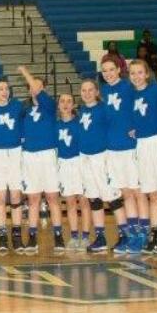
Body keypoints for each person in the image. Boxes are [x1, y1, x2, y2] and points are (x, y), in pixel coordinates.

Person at [16, 67, 61, 252]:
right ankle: (32, 237)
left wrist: (25, 72)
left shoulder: (49, 106)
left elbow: (36, 88)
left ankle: (58, 237)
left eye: (39, 86)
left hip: (48, 155)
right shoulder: (23, 111)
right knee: (33, 199)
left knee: (52, 198)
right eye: (32, 86)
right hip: (29, 156)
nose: (34, 89)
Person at [98, 59, 138, 254]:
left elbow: (140, 110)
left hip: (130, 146)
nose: (108, 74)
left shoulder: (129, 87)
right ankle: (131, 235)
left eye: (111, 70)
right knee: (124, 192)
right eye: (104, 71)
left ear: (119, 70)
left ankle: (142, 234)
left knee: (136, 191)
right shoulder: (102, 92)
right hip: (112, 148)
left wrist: (137, 128)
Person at [128, 60, 157, 254]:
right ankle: (155, 232)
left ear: (147, 74)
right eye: (132, 73)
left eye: (139, 72)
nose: (136, 76)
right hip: (141, 144)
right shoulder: (132, 94)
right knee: (151, 191)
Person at [0, 78, 25, 253]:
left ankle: (16, 236)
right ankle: (2, 236)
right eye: (0, 89)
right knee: (0, 196)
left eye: (6, 88)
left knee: (16, 196)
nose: (4, 91)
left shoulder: (17, 107)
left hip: (16, 152)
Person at [76, 79, 114, 254]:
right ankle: (100, 237)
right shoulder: (81, 111)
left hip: (101, 156)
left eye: (91, 90)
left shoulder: (104, 109)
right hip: (85, 158)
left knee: (112, 196)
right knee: (94, 198)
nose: (87, 93)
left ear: (97, 92)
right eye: (84, 90)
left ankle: (126, 234)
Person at [54, 92, 88, 252]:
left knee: (84, 201)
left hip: (79, 162)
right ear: (58, 105)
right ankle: (74, 236)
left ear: (74, 105)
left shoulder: (80, 123)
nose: (66, 104)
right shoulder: (55, 126)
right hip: (63, 164)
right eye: (62, 101)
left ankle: (86, 237)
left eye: (69, 101)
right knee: (70, 202)